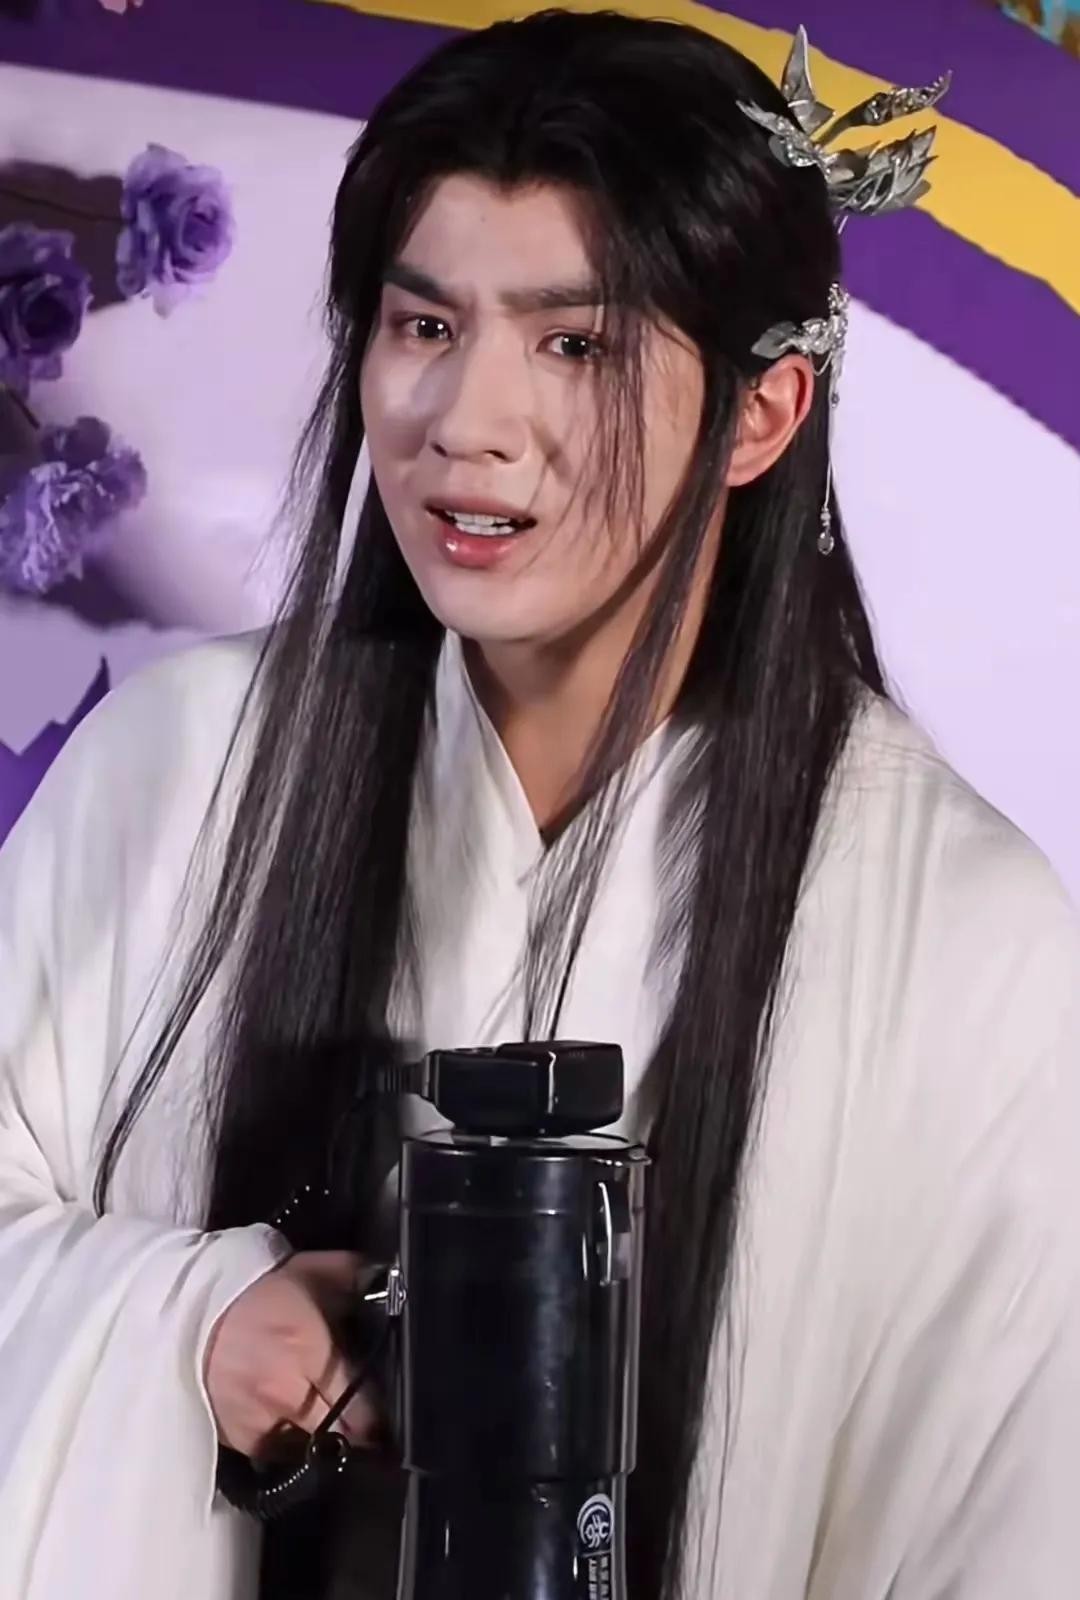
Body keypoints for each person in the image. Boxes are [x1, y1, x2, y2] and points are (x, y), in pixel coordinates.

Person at [1, 10, 1078, 1599]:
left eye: (575, 345)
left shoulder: (969, 937)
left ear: (764, 413)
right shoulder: (175, 770)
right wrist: (193, 1327)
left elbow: (1016, 1517)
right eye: (424, 324)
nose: (465, 422)